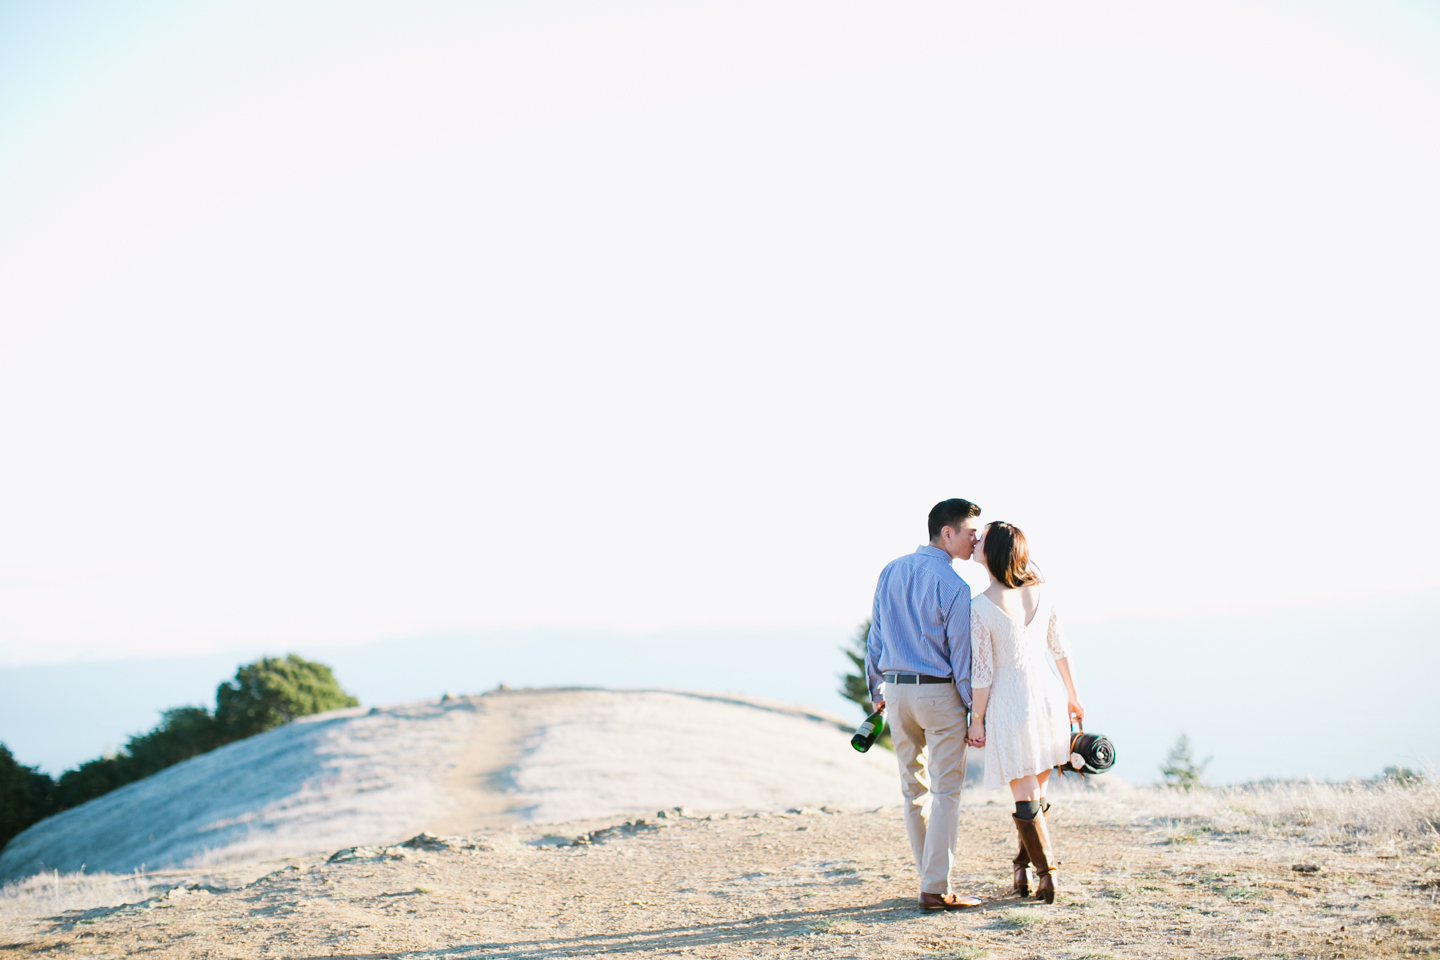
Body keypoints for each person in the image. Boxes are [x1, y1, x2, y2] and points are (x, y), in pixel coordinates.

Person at [864, 498, 984, 911]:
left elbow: (875, 638)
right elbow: (962, 658)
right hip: (939, 692)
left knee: (912, 789)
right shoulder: (955, 587)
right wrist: (975, 714)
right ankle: (935, 888)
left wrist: (876, 691)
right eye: (970, 532)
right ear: (946, 533)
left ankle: (930, 880)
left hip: (895, 691)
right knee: (946, 790)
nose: (976, 540)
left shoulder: (890, 571)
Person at [964, 521, 1084, 905]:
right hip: (1048, 694)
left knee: (1027, 794)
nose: (975, 541)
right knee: (1037, 791)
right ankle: (1021, 866)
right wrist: (1073, 696)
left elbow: (981, 673)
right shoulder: (1041, 593)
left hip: (1011, 700)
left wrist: (977, 719)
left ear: (993, 551)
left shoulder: (980, 606)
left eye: (980, 539)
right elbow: (1060, 649)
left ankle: (1046, 875)